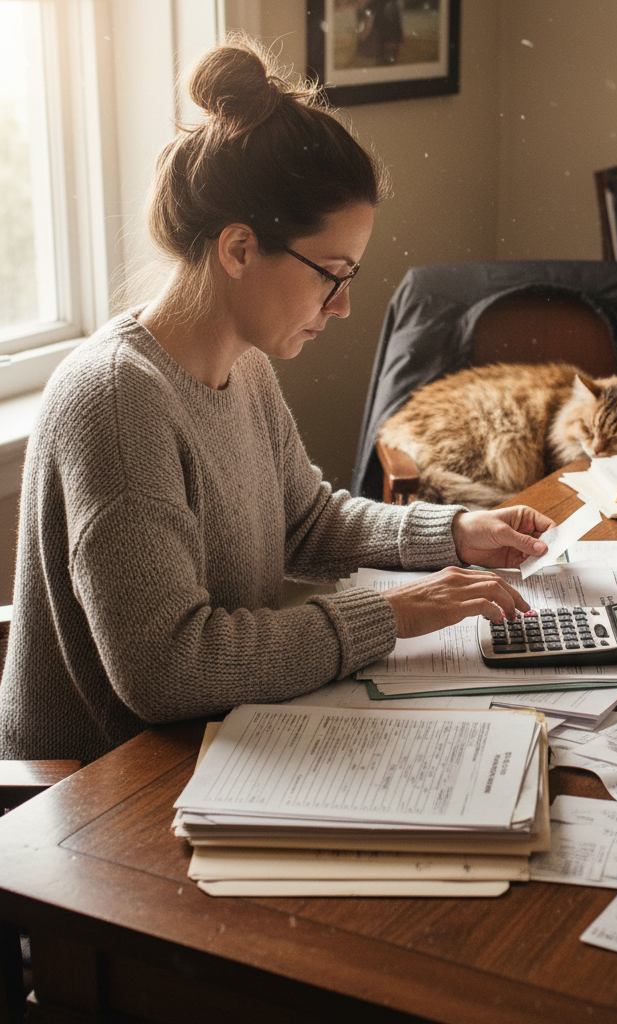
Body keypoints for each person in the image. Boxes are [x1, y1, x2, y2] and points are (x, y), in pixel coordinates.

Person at [0, 36, 556, 764]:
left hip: (210, 744)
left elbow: (307, 521)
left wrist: (453, 534)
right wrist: (388, 615)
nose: (346, 305)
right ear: (238, 249)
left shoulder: (244, 365)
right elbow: (168, 668)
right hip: (99, 787)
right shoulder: (117, 402)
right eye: (333, 273)